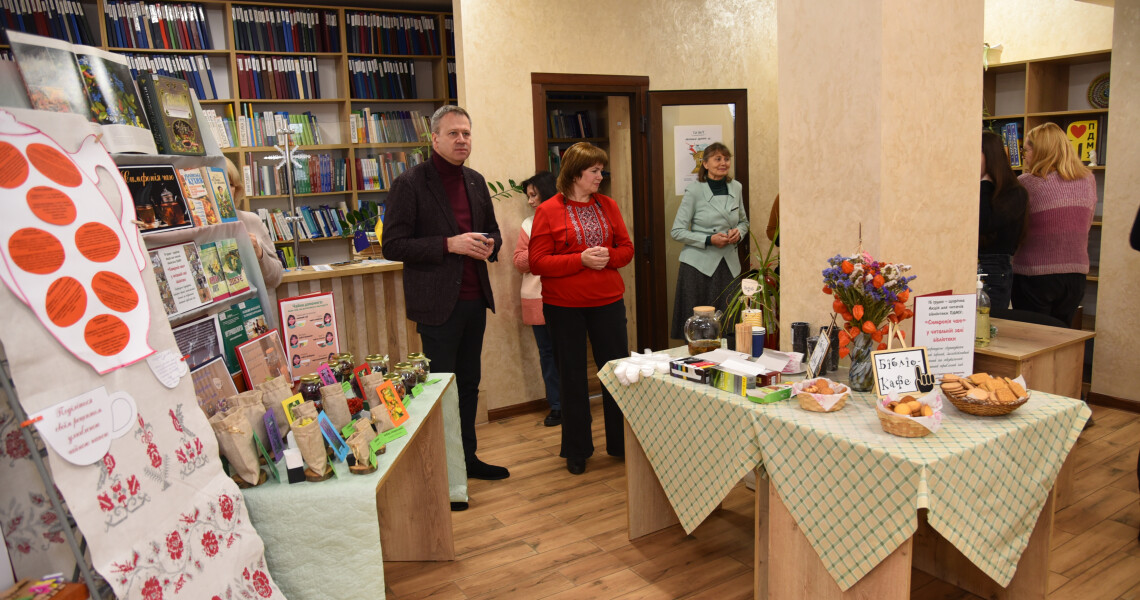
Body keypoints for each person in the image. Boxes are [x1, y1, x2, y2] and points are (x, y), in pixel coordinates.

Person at [381, 105, 509, 489]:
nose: (461, 140)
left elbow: (494, 233)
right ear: (434, 139)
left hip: (474, 301)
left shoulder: (475, 180)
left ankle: (467, 459)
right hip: (437, 306)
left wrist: (490, 245)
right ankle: (441, 468)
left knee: (469, 384)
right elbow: (393, 244)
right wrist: (448, 244)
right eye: (453, 133)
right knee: (439, 387)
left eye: (466, 133)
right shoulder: (411, 183)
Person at [530, 142, 635, 475]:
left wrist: (607, 258)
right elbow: (537, 262)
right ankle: (577, 450)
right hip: (564, 306)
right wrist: (580, 259)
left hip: (608, 302)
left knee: (617, 375)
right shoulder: (548, 210)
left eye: (601, 170)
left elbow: (626, 249)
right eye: (594, 171)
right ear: (575, 174)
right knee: (572, 376)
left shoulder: (609, 205)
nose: (600, 177)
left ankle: (620, 444)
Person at [1011, 122, 1096, 326]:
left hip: (1035, 275)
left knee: (1031, 340)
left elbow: (1015, 228)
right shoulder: (1087, 179)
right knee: (1059, 339)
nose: (1024, 155)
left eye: (1027, 149)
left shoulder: (1027, 182)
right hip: (1075, 276)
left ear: (1041, 151)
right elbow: (1088, 222)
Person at [669, 142, 749, 342]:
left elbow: (743, 222)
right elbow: (677, 231)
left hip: (728, 266)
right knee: (698, 330)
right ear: (705, 164)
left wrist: (738, 232)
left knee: (728, 325)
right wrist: (708, 239)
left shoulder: (736, 187)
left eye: (726, 159)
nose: (723, 163)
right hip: (698, 267)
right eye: (718, 159)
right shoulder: (694, 191)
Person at [513, 171, 562, 427]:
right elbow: (520, 262)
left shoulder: (567, 218)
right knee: (547, 354)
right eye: (528, 196)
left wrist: (541, 258)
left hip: (567, 297)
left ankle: (575, 402)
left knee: (568, 352)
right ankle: (556, 405)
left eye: (534, 195)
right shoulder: (527, 224)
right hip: (536, 297)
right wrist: (543, 257)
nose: (530, 201)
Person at [979, 130, 1029, 311]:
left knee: (987, 325)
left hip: (994, 269)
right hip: (969, 262)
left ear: (990, 156)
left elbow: (983, 223)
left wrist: (985, 182)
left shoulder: (1014, 193)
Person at [224, 158, 284, 289]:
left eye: (230, 184)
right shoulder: (193, 229)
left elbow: (276, 279)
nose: (225, 190)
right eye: (219, 183)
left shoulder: (251, 220)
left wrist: (260, 254)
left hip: (253, 307)